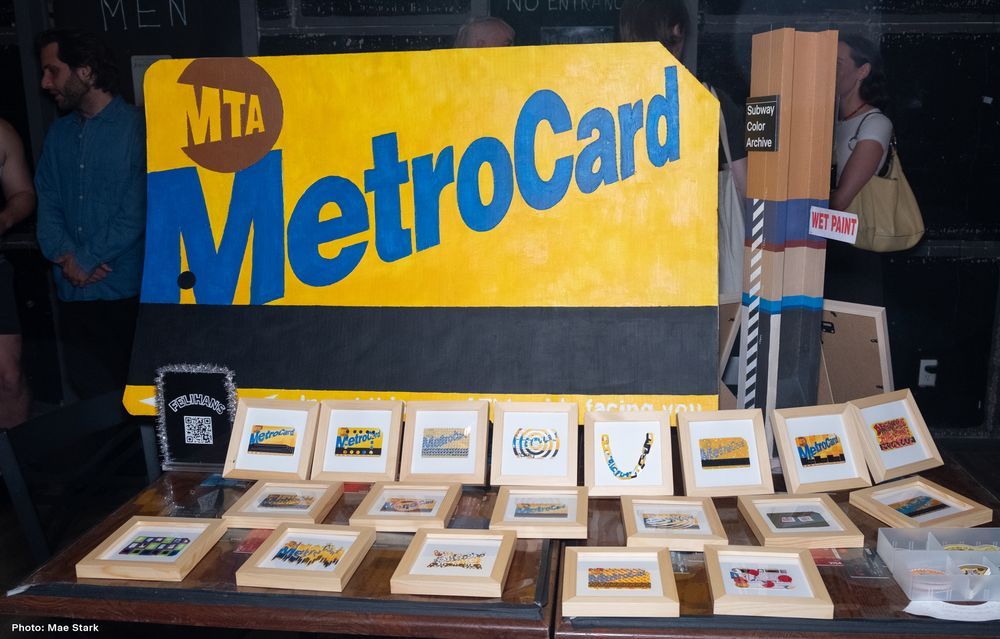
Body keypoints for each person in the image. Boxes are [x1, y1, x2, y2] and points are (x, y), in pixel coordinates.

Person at [34, 29, 146, 399]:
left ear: (86, 71)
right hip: (73, 293)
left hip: (126, 294)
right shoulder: (58, 134)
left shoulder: (137, 129)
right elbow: (47, 200)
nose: (45, 82)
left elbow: (138, 208)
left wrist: (87, 258)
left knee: (134, 401)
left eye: (53, 71)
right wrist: (69, 257)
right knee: (89, 406)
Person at [619, 0, 748, 296]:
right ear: (679, 33)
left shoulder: (603, 105)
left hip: (631, 268)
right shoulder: (710, 101)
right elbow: (746, 187)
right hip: (697, 268)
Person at [825, 34, 893, 306]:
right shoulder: (830, 120)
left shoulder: (875, 123)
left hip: (854, 252)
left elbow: (840, 201)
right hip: (826, 244)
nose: (829, 71)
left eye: (837, 64)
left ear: (862, 71)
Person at [0, 119, 36, 427]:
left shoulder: (2, 133)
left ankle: (13, 455)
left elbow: (23, 193)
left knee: (9, 377)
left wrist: (5, 219)